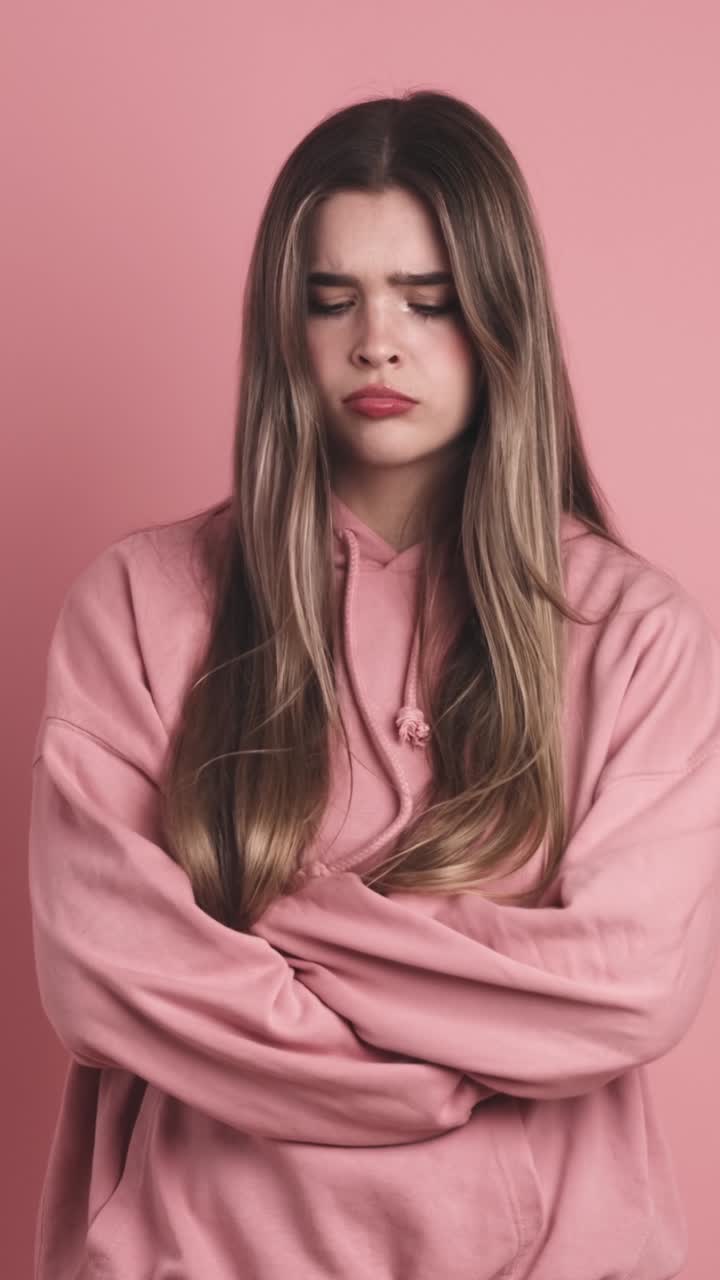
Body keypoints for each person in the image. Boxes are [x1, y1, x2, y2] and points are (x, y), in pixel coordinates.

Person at [27, 88, 720, 1280]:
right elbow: (99, 976)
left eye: (429, 299)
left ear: (503, 315)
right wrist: (477, 1016)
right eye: (331, 298)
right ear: (281, 325)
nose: (376, 342)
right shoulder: (137, 604)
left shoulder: (633, 631)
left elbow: (627, 990)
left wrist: (263, 920)